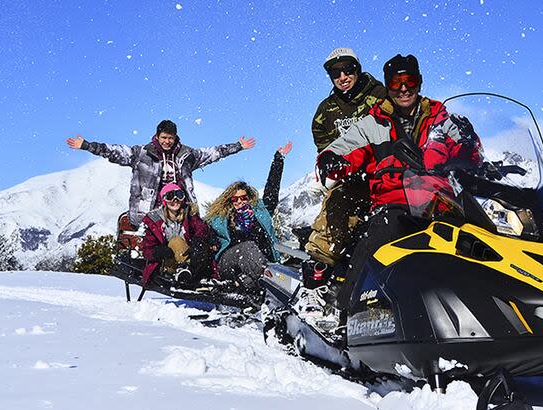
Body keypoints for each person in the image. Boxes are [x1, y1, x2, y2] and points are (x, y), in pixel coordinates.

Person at [307, 54, 482, 327]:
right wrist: (332, 158)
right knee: (378, 235)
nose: (403, 88)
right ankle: (345, 312)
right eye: (396, 82)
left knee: (479, 240)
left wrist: (470, 145)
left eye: (409, 80)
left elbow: (468, 151)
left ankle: (487, 310)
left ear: (419, 82)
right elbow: (346, 148)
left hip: (441, 203)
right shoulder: (374, 123)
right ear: (387, 85)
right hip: (395, 203)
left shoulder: (440, 117)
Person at [66, 119, 255, 227]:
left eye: (170, 138)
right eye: (163, 138)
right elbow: (114, 151)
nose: (167, 142)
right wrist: (87, 145)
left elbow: (213, 153)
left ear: (175, 138)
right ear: (157, 136)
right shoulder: (142, 154)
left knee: (197, 232)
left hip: (181, 205)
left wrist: (237, 146)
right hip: (152, 206)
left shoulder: (187, 155)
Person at [304, 48, 387, 276]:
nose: (343, 77)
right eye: (336, 73)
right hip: (350, 179)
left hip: (387, 174)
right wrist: (335, 167)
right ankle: (321, 270)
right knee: (337, 204)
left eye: (348, 70)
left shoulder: (381, 95)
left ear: (357, 70)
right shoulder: (325, 111)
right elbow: (325, 148)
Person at [206, 142, 292, 294]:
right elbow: (204, 234)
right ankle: (280, 286)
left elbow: (272, 189)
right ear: (229, 201)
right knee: (247, 248)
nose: (239, 201)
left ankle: (248, 285)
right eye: (235, 199)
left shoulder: (259, 212)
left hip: (258, 265)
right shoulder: (220, 219)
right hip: (229, 263)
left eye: (243, 198)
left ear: (249, 198)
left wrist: (278, 160)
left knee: (252, 278)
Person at [139, 183, 216, 287]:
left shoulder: (190, 215)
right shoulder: (156, 221)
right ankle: (184, 273)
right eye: (170, 196)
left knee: (200, 246)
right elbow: (146, 250)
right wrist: (158, 252)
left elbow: (202, 229)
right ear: (164, 201)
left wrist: (198, 241)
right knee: (176, 241)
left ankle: (190, 272)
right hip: (168, 264)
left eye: (179, 195)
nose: (175, 200)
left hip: (191, 261)